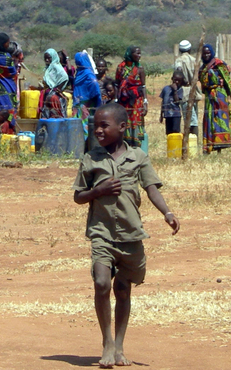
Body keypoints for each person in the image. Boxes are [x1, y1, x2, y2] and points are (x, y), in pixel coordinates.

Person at [72, 102, 180, 368]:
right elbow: (78, 196)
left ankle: (119, 345)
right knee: (101, 284)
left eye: (103, 125)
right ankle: (106, 342)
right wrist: (99, 190)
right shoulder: (90, 159)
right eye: (95, 125)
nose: (98, 130)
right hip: (101, 232)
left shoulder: (138, 157)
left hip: (131, 234)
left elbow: (151, 188)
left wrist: (167, 213)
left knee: (122, 289)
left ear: (122, 127)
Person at [198, 43, 231, 154]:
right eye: (204, 53)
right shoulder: (202, 68)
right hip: (209, 97)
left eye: (208, 53)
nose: (206, 55)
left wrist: (220, 82)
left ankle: (220, 146)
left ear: (212, 53)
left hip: (219, 95)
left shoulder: (219, 64)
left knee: (220, 118)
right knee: (209, 119)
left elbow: (227, 75)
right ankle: (209, 146)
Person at [115, 46, 147, 147]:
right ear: (130, 54)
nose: (139, 56)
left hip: (137, 101)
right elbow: (116, 84)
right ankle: (125, 145)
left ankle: (136, 146)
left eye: (140, 53)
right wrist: (116, 100)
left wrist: (145, 102)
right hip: (124, 101)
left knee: (136, 122)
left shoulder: (139, 68)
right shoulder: (121, 67)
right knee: (124, 121)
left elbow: (143, 86)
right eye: (137, 53)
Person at [174, 39, 200, 136]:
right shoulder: (194, 60)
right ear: (189, 49)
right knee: (194, 116)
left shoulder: (179, 61)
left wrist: (183, 81)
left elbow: (178, 71)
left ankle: (192, 141)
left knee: (190, 119)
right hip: (194, 89)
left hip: (184, 90)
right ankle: (193, 140)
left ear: (180, 50)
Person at [39, 48, 71, 118]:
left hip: (54, 95)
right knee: (47, 113)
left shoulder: (55, 66)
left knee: (55, 114)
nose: (47, 60)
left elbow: (65, 77)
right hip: (49, 93)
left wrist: (58, 89)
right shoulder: (49, 67)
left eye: (49, 58)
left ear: (53, 57)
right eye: (45, 58)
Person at [159, 70, 184, 136]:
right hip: (167, 115)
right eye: (175, 80)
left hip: (176, 115)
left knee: (175, 132)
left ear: (181, 82)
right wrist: (161, 115)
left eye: (179, 81)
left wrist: (175, 90)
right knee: (169, 133)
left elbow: (177, 101)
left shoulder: (180, 90)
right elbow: (163, 102)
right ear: (172, 79)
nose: (176, 82)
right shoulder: (165, 89)